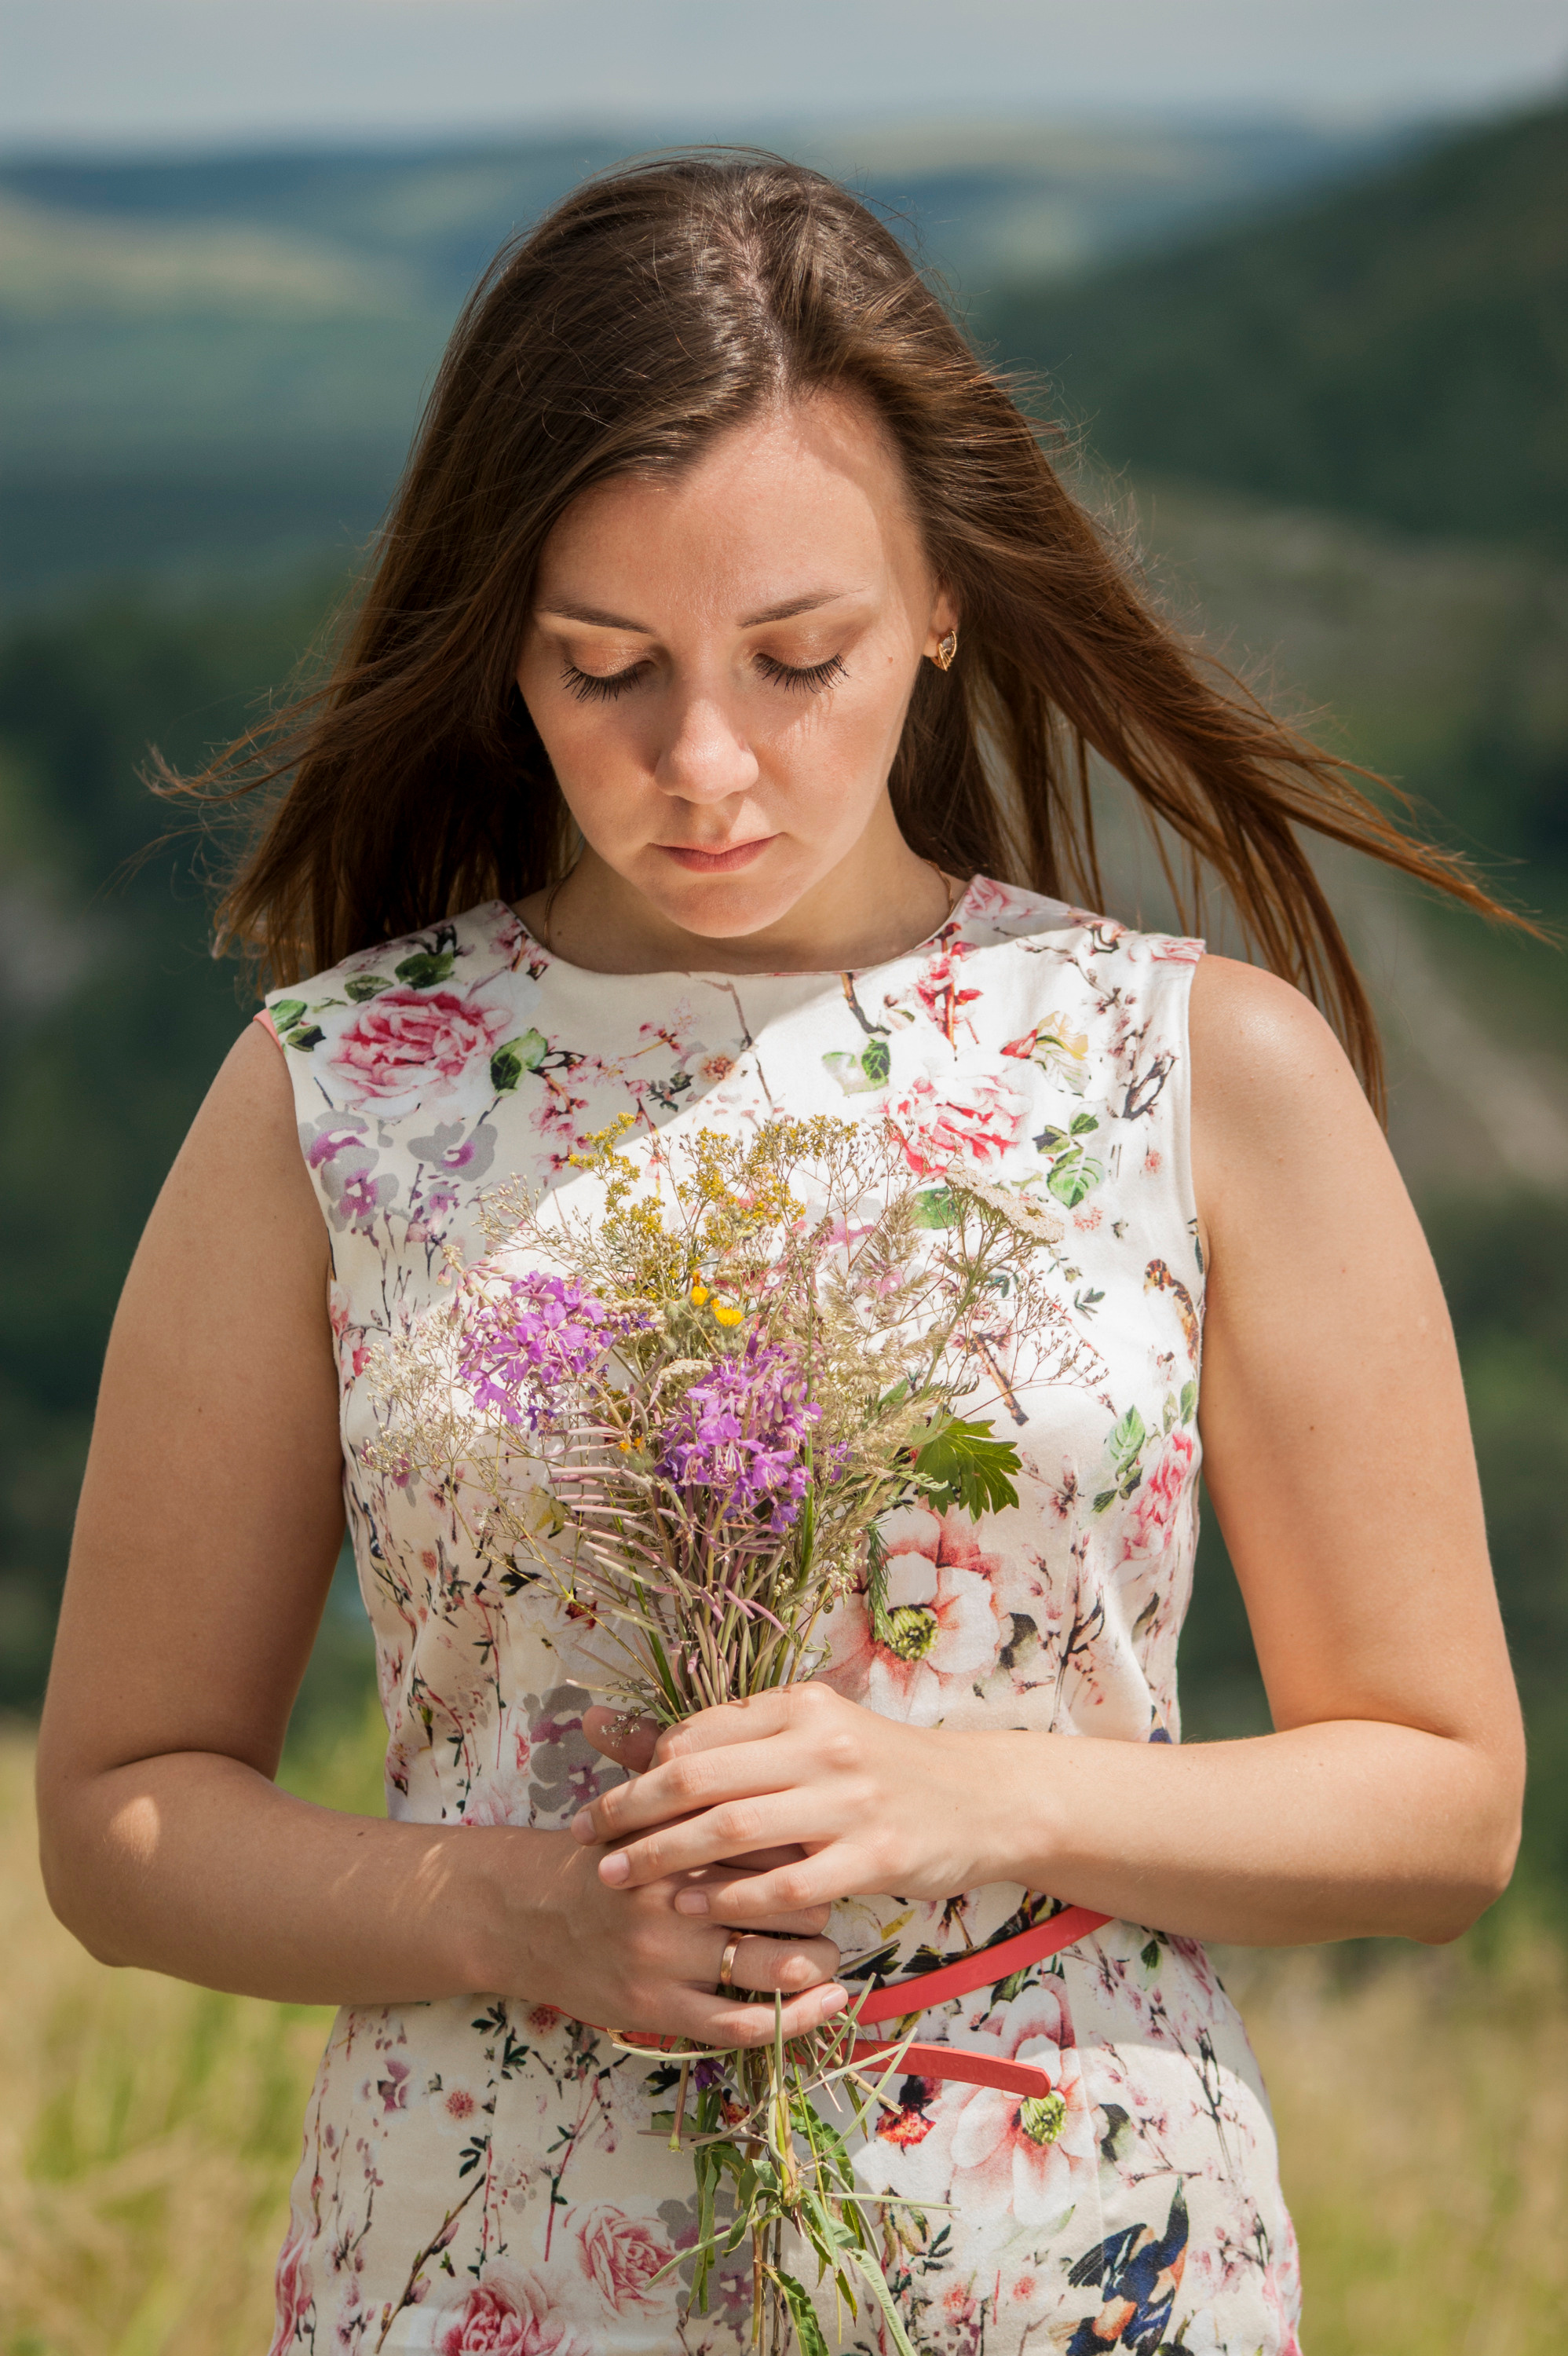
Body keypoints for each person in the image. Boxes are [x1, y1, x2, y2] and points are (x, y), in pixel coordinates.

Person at [35, 153, 1524, 2356]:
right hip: (487, 2274)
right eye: (606, 668)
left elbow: (1444, 1801)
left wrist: (975, 1792)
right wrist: (513, 1912)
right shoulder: (338, 1091)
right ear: (502, 645)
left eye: (798, 658)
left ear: (943, 603)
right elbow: (118, 1813)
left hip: (1077, 2275)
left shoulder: (1197, 1067)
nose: (705, 762)